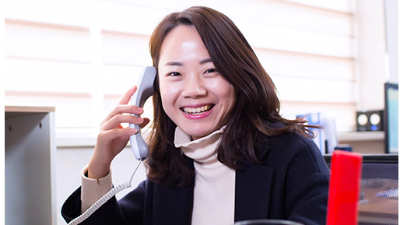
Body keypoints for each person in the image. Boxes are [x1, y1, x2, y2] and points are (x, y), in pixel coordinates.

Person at [62, 6, 330, 225]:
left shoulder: (293, 155)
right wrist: (100, 167)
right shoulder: (170, 168)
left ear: (239, 74)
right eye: (175, 74)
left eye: (211, 70)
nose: (194, 90)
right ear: (155, 86)